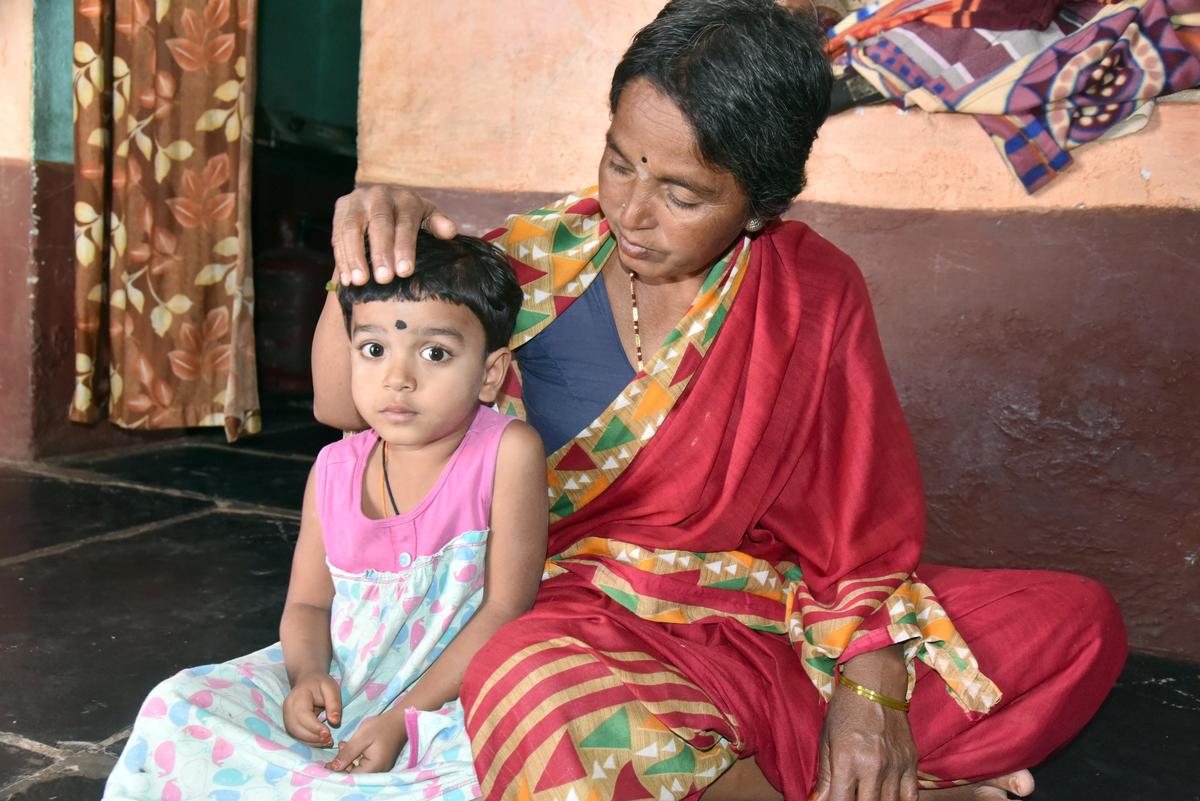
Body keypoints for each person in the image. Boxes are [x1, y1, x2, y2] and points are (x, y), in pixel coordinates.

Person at [314, 2, 1127, 800]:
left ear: (762, 206)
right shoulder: (527, 268)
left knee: (1075, 623)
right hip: (583, 623)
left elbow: (859, 530)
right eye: (619, 160)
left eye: (683, 194)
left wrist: (871, 686)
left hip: (773, 620)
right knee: (526, 682)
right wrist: (363, 254)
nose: (630, 212)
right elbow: (341, 407)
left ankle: (765, 770)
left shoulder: (811, 291)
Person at [105, 233, 548, 801]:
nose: (399, 378)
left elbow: (507, 608)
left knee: (492, 768)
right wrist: (307, 677)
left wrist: (402, 720)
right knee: (178, 703)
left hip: (448, 694)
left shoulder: (506, 452)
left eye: (435, 353)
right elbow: (309, 604)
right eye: (373, 349)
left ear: (490, 374)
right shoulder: (334, 469)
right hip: (345, 678)